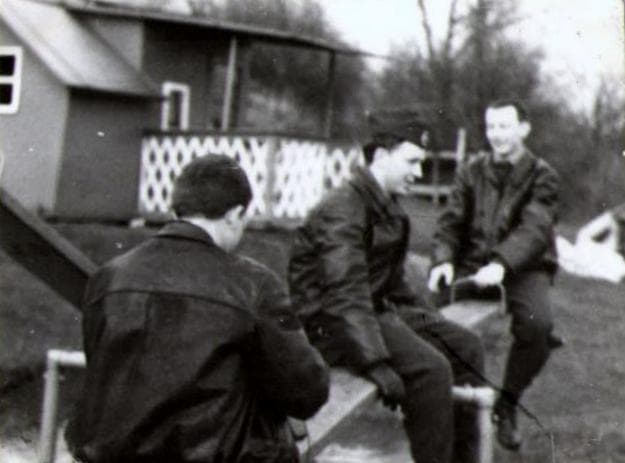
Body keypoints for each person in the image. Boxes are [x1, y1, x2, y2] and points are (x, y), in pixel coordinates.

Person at [66, 155, 330, 463]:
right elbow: (306, 392)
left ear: (178, 210)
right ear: (235, 214)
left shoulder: (108, 277)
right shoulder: (254, 283)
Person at [288, 109, 485, 463]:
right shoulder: (343, 209)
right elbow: (343, 296)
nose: (419, 172)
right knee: (432, 371)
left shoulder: (388, 207)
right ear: (380, 156)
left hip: (368, 314)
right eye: (411, 161)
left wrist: (431, 323)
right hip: (330, 325)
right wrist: (376, 362)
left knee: (465, 347)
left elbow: (393, 286)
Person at [428, 99, 560, 451]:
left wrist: (502, 263)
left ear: (523, 128)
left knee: (539, 327)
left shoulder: (543, 175)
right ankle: (449, 410)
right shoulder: (470, 170)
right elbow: (450, 222)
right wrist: (443, 260)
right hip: (474, 264)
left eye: (505, 126)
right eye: (491, 127)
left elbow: (534, 229)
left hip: (523, 267)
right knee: (426, 319)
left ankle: (507, 404)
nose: (497, 135)